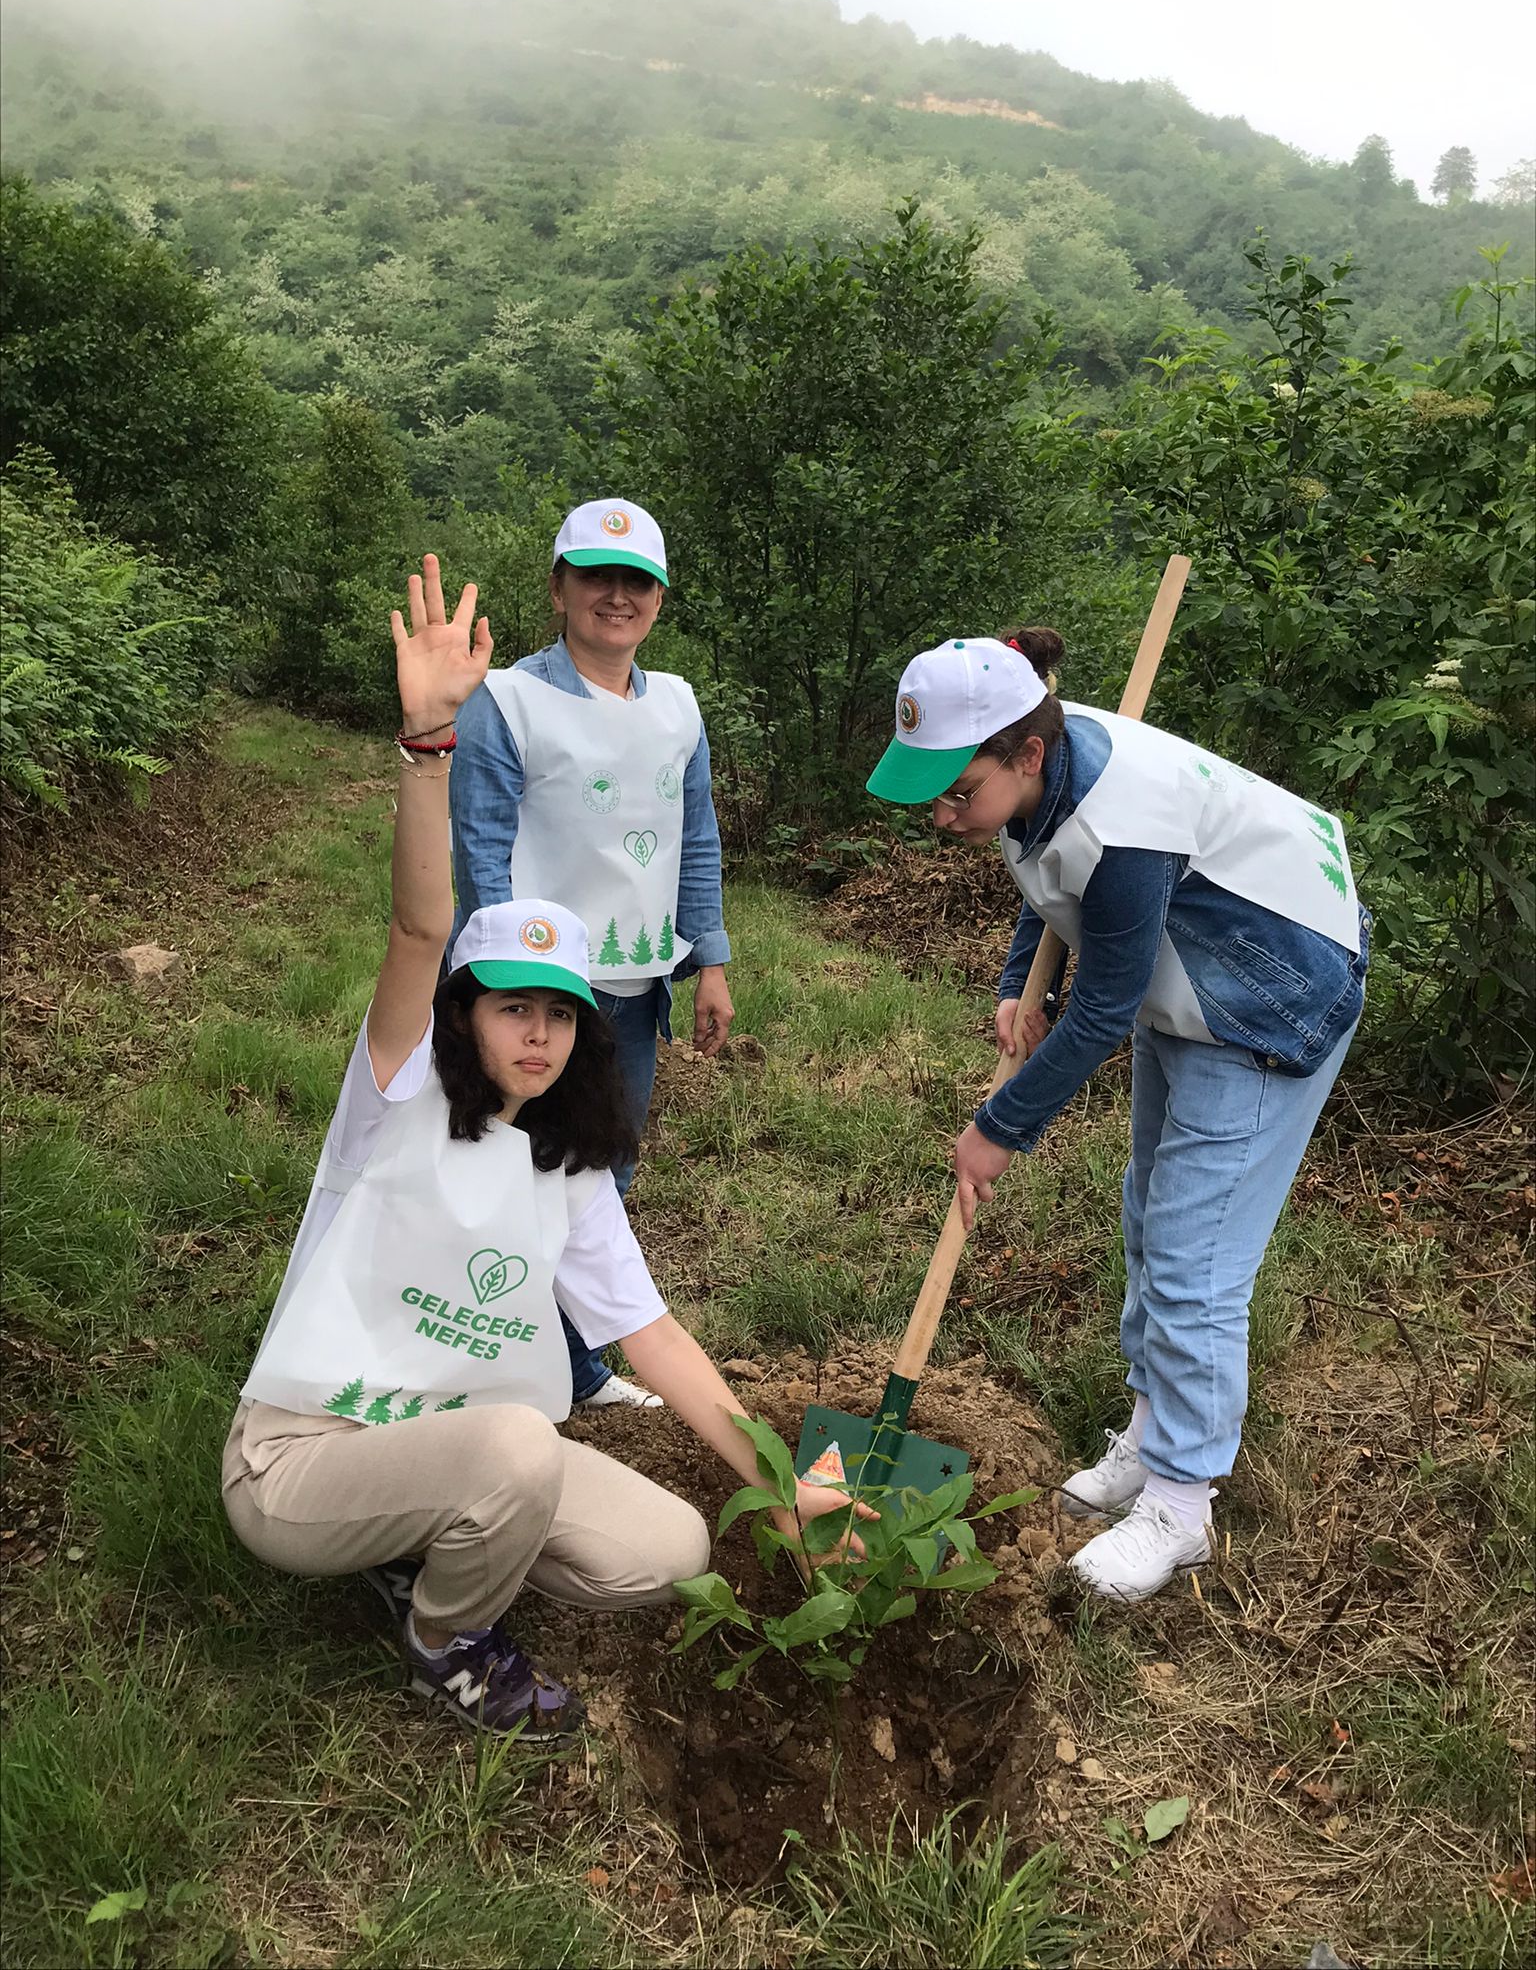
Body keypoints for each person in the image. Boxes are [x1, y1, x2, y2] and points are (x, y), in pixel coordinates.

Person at [223, 559, 862, 1734]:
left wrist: (778, 1491)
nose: (536, 1028)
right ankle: (444, 1631)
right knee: (519, 1443)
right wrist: (427, 745)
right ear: (463, 1011)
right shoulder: (394, 1094)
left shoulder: (566, 1170)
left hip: (455, 1442)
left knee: (668, 1550)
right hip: (303, 1455)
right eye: (510, 1001)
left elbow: (651, 1334)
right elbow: (421, 924)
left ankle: (417, 1534)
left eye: (560, 1010)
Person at [866, 631, 1369, 1604]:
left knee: (1197, 1256)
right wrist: (1020, 984)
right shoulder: (1040, 769)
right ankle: (1150, 1435)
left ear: (1027, 753)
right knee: (1149, 1215)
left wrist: (1000, 1125)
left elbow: (1100, 1002)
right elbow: (1048, 877)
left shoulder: (1126, 818)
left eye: (957, 790)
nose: (943, 812)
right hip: (1192, 973)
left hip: (1271, 992)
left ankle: (1181, 1507)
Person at [449, 498, 734, 1411]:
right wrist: (502, 993)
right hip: (535, 993)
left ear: (658, 597)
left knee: (602, 1174)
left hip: (635, 991)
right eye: (597, 576)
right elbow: (480, 850)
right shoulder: (506, 702)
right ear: (560, 586)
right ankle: (482, 1361)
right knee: (497, 1169)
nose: (618, 596)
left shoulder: (679, 707)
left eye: (637, 581)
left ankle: (572, 1367)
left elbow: (696, 839)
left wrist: (711, 961)